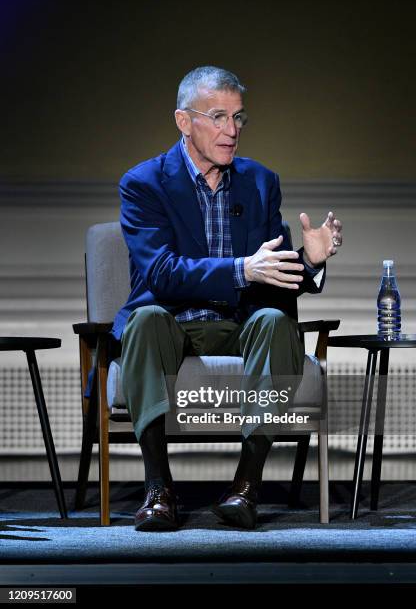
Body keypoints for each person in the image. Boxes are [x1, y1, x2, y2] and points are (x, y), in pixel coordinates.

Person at [111, 66, 343, 531]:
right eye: (218, 117)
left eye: (238, 118)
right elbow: (161, 272)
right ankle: (159, 490)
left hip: (241, 325)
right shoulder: (144, 183)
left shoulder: (260, 181)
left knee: (276, 322)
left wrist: (310, 260)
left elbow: (270, 273)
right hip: (173, 325)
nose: (231, 131)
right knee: (145, 319)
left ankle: (246, 487)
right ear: (184, 121)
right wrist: (240, 269)